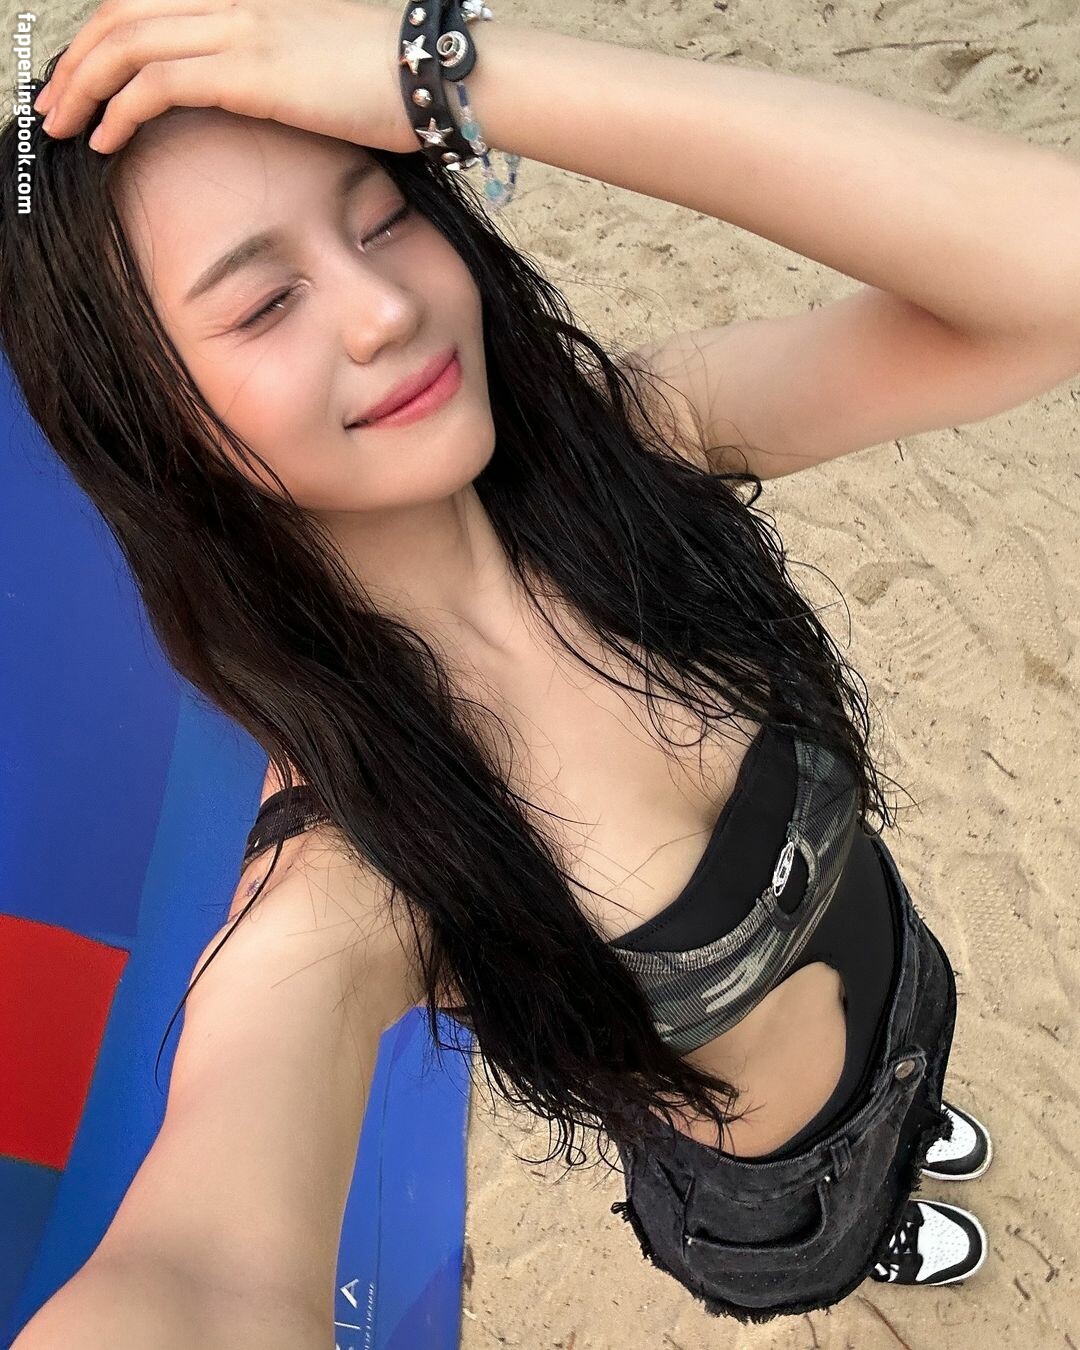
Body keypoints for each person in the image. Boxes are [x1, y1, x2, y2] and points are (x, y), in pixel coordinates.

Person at [7, 0, 1080, 1339]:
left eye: (380, 217)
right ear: (151, 425)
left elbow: (1055, 273)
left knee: (915, 1103)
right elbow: (197, 1274)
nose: (388, 309)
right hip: (775, 1196)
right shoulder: (359, 865)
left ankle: (914, 1133)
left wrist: (445, 67)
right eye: (266, 301)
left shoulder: (625, 454)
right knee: (848, 1225)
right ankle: (880, 1225)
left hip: (906, 980)